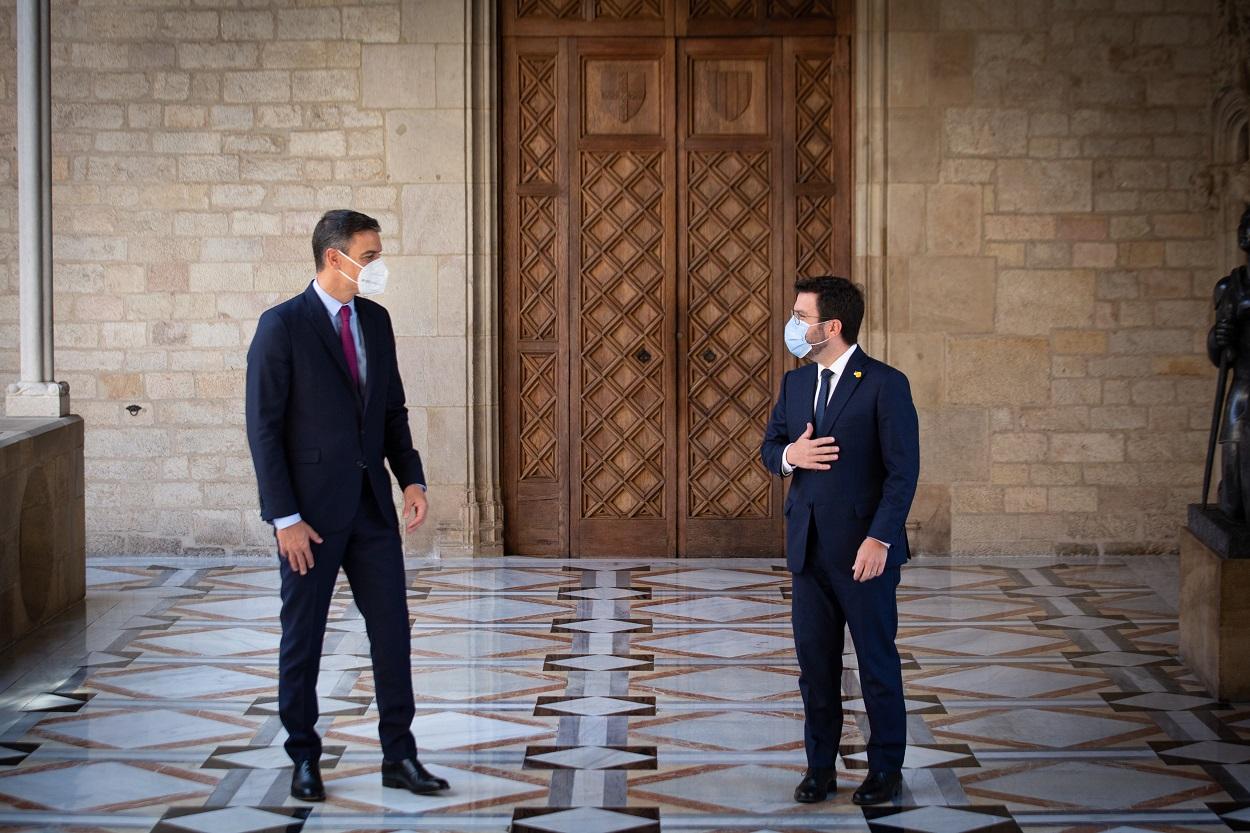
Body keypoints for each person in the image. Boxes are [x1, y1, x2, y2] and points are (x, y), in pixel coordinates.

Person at [245, 210, 450, 802]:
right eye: (371, 254)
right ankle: (303, 757)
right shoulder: (281, 326)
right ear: (335, 257)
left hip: (371, 512)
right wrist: (284, 518)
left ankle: (400, 756)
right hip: (306, 518)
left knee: (392, 634)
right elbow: (263, 429)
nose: (379, 266)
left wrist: (411, 479)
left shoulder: (377, 321)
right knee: (302, 637)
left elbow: (391, 410)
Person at [760, 276, 919, 806]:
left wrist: (881, 539)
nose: (793, 325)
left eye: (801, 317)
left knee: (876, 663)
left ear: (832, 326)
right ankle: (819, 768)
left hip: (864, 555)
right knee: (816, 667)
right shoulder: (795, 384)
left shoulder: (883, 383)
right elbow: (771, 446)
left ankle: (885, 771)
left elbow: (903, 473)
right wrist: (790, 458)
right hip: (807, 552)